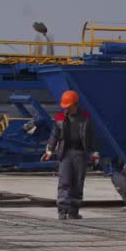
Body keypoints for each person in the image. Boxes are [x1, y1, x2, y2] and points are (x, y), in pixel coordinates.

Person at [42, 90, 99, 220]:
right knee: (64, 182)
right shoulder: (59, 118)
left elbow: (91, 136)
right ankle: (62, 211)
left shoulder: (85, 117)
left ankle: (74, 211)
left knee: (78, 183)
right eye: (65, 107)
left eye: (68, 106)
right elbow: (54, 135)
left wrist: (95, 152)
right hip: (65, 153)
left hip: (80, 153)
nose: (66, 109)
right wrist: (49, 150)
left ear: (75, 104)